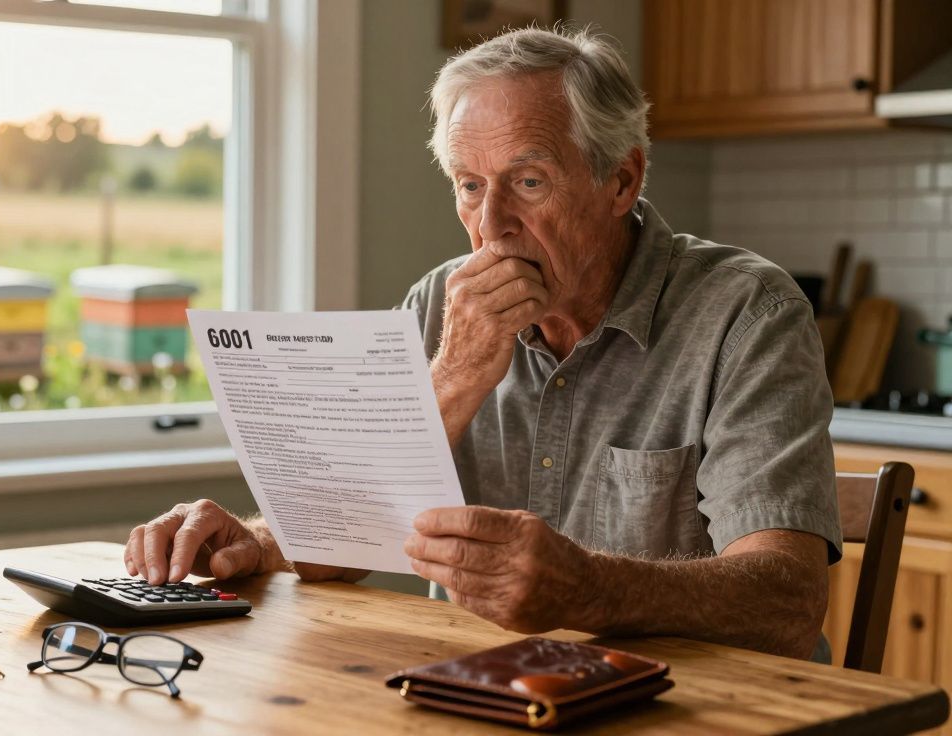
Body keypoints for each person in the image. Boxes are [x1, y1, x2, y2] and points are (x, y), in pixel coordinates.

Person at [125, 26, 841, 661]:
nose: (493, 224)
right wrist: (255, 542)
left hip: (706, 710)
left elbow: (786, 603)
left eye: (528, 181)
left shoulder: (748, 312)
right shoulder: (439, 301)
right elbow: (350, 532)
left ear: (621, 179)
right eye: (470, 186)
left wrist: (590, 590)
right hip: (484, 697)